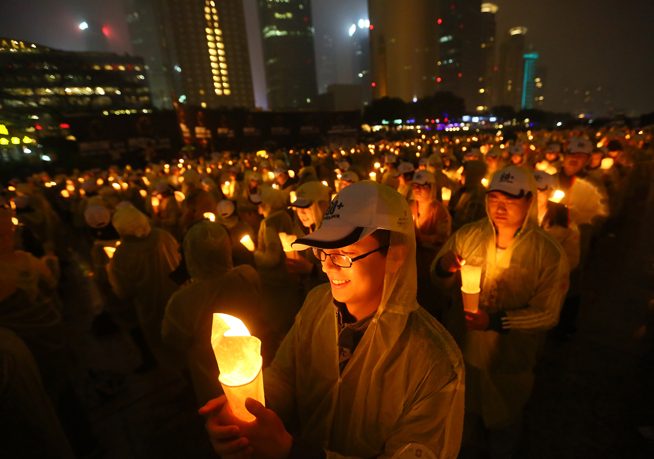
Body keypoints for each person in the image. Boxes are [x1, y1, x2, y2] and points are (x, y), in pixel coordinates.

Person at [201, 181, 465, 459]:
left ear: (396, 255)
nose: (326, 266)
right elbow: (285, 375)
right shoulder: (317, 303)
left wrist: (295, 452)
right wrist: (244, 410)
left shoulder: (436, 362)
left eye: (343, 255)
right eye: (323, 252)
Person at [432, 166, 569, 458]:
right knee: (461, 414)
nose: (500, 206)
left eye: (511, 199)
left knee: (505, 420)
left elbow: (548, 313)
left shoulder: (548, 252)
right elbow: (441, 284)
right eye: (494, 198)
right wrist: (444, 268)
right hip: (464, 348)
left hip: (510, 356)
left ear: (529, 201)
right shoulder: (468, 235)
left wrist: (495, 321)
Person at [162, 221, 262, 407]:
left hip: (210, 375)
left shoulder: (183, 300)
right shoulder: (247, 275)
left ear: (189, 255)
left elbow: (173, 339)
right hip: (252, 364)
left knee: (223, 417)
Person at [107, 206, 184, 371]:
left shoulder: (122, 255)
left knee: (170, 352)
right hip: (181, 299)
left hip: (153, 311)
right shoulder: (163, 235)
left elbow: (124, 293)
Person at [410, 170, 452, 319]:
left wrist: (419, 239)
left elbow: (442, 238)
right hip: (413, 267)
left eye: (422, 185)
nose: (417, 189)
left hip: (431, 267)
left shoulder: (439, 211)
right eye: (415, 185)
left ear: (431, 187)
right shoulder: (409, 208)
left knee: (432, 309)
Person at [287, 181, 331, 301]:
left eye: (307, 207)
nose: (301, 212)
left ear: (324, 205)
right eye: (298, 207)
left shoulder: (333, 233)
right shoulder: (300, 229)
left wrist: (312, 269)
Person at [449, 160, 488, 232]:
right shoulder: (467, 191)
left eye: (464, 173)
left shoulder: (477, 195)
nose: (461, 175)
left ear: (472, 174)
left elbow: (466, 223)